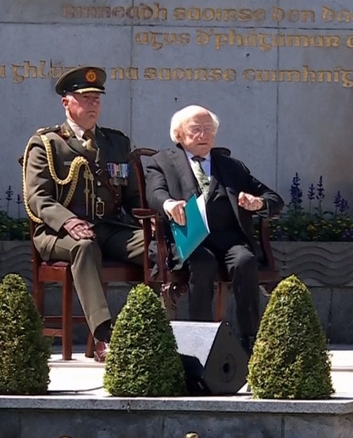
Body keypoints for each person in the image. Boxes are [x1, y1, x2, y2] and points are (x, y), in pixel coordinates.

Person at [23, 66, 143, 363]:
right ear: (67, 102)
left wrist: (158, 222)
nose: (93, 104)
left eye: (97, 99)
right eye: (85, 98)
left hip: (109, 228)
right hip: (58, 234)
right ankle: (104, 336)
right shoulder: (47, 143)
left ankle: (153, 329)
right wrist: (68, 221)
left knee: (157, 246)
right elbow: (37, 197)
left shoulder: (116, 143)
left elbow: (133, 197)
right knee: (85, 246)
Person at [144, 105, 284, 355]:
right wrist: (168, 204)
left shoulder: (231, 166)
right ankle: (201, 342)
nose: (203, 135)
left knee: (245, 260)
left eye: (208, 130)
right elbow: (154, 193)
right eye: (196, 129)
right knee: (203, 264)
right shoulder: (162, 162)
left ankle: (250, 340)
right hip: (189, 240)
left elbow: (274, 198)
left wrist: (258, 203)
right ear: (178, 134)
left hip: (229, 239)